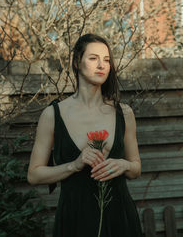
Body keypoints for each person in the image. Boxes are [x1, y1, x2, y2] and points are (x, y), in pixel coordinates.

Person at [27, 33, 142, 237]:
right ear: (77, 62)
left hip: (119, 218)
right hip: (75, 219)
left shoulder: (124, 113)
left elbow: (136, 169)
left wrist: (124, 165)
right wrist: (74, 165)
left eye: (106, 60)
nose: (101, 65)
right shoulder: (53, 115)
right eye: (93, 58)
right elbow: (34, 175)